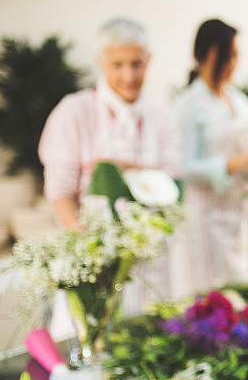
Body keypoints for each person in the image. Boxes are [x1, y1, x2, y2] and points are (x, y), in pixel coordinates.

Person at [38, 17, 181, 314]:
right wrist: (85, 245)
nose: (128, 74)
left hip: (150, 265)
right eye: (117, 64)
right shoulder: (75, 111)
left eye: (136, 64)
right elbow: (60, 189)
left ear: (149, 61)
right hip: (94, 260)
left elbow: (174, 179)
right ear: (100, 62)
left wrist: (120, 167)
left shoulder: (161, 117)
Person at [173, 18, 248, 296]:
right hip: (204, 218)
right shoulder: (188, 106)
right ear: (204, 55)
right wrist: (240, 163)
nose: (231, 64)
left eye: (235, 57)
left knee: (240, 288)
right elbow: (186, 166)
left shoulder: (238, 100)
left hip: (236, 212)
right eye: (225, 56)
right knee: (211, 293)